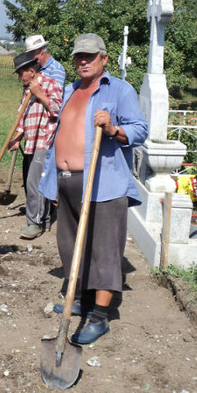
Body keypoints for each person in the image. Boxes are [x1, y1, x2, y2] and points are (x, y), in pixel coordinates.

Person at [39, 33, 148, 344]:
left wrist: (114, 128)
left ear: (104, 58)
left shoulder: (119, 91)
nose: (83, 61)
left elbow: (140, 129)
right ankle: (81, 300)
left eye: (89, 56)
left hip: (103, 184)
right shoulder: (70, 90)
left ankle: (99, 318)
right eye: (78, 56)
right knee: (73, 247)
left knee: (104, 252)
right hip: (67, 182)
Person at [7, 51, 63, 239]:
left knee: (34, 184)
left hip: (45, 140)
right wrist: (17, 137)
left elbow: (57, 109)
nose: (19, 77)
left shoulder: (49, 84)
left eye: (21, 73)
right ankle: (45, 220)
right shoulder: (26, 88)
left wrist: (39, 93)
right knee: (38, 182)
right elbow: (23, 116)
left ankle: (34, 223)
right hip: (31, 140)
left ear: (31, 70)